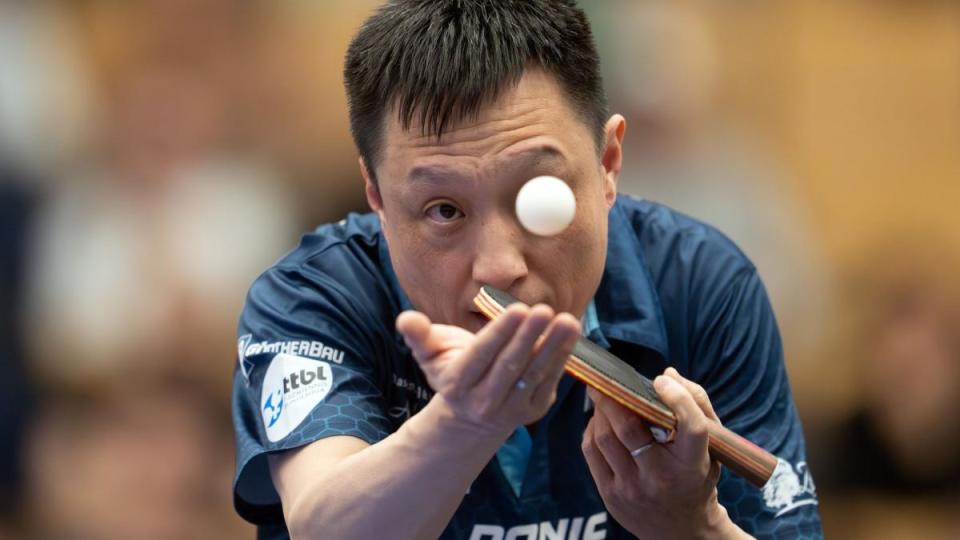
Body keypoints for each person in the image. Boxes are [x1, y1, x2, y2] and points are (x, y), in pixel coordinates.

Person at [231, 1, 823, 538]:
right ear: (377, 196)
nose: (499, 265)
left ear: (608, 162)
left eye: (538, 197)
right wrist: (466, 424)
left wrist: (693, 527)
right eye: (444, 211)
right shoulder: (313, 297)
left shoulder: (699, 284)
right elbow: (324, 526)